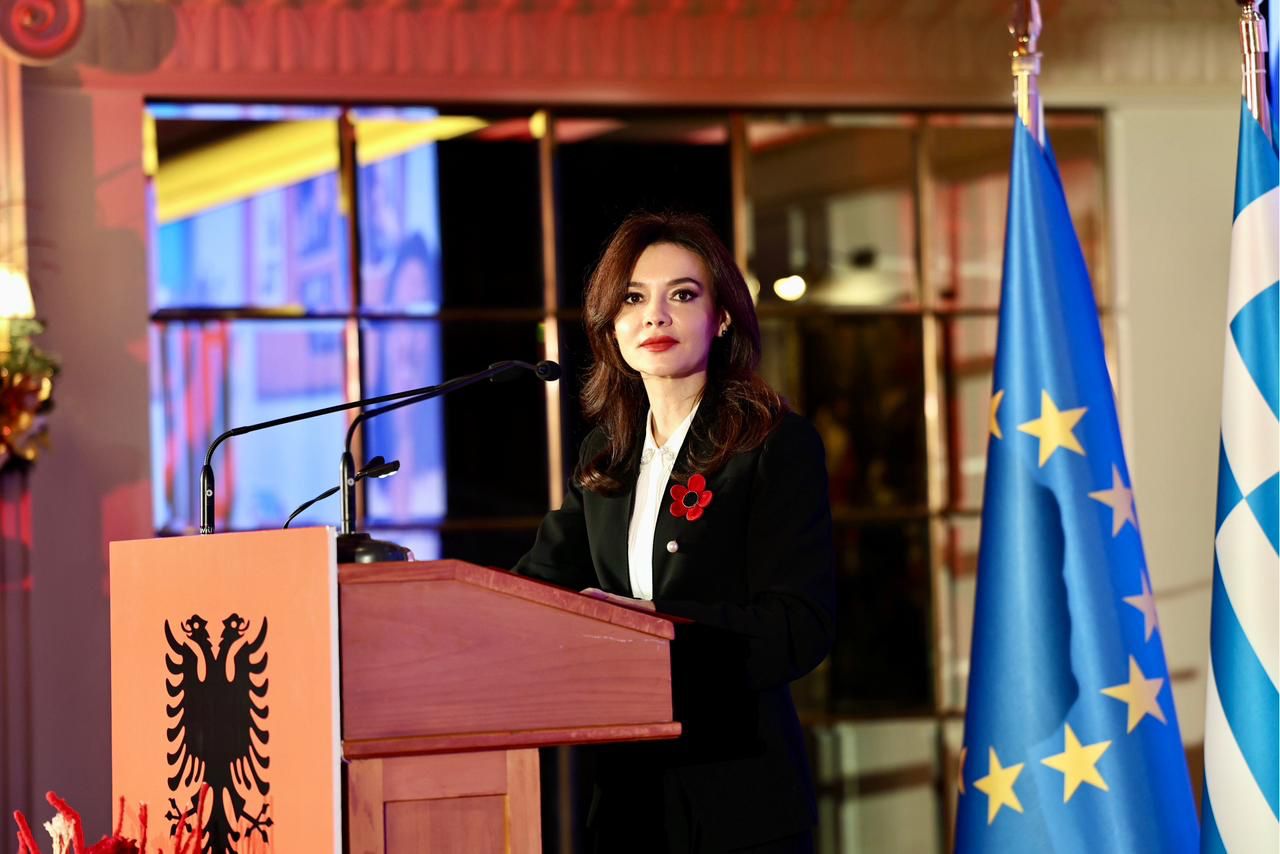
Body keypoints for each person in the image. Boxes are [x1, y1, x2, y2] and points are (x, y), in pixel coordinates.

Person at [513, 212, 836, 853]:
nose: (655, 317)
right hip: (630, 806)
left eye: (682, 295)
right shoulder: (606, 457)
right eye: (633, 299)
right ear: (611, 327)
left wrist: (652, 626)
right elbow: (533, 590)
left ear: (722, 317)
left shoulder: (773, 445)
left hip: (742, 805)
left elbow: (798, 627)